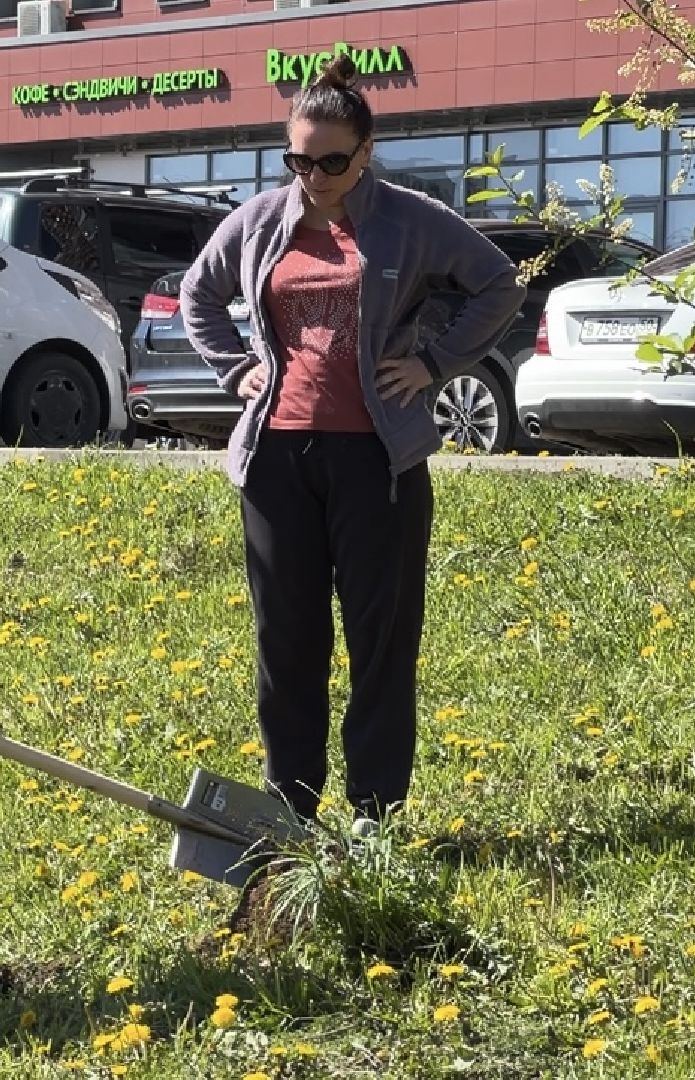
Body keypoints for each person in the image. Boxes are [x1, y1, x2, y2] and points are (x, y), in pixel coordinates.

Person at [178, 55, 526, 836]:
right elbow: (198, 290)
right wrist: (236, 368)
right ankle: (288, 807)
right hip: (275, 457)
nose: (314, 174)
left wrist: (434, 362)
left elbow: (497, 284)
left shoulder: (407, 218)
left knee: (379, 639)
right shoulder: (261, 220)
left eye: (332, 161)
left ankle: (373, 814)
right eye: (298, 159)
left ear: (365, 153)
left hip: (378, 461)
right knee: (286, 636)